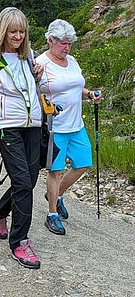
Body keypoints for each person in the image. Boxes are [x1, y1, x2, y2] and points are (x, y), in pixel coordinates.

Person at [0, 7, 43, 269]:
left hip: (33, 125)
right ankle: (20, 242)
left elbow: (34, 91)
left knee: (29, 179)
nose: (17, 36)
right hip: (7, 127)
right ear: (2, 31)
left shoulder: (28, 57)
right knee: (23, 183)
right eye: (13, 31)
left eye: (22, 31)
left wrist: (37, 78)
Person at [36, 19, 102, 235]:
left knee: (83, 163)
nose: (66, 47)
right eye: (63, 43)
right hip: (54, 127)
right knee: (55, 171)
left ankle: (57, 194)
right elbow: (34, 94)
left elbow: (76, 87)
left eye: (69, 43)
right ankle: (52, 214)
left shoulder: (72, 60)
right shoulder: (40, 64)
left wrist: (89, 94)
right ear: (50, 41)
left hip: (76, 124)